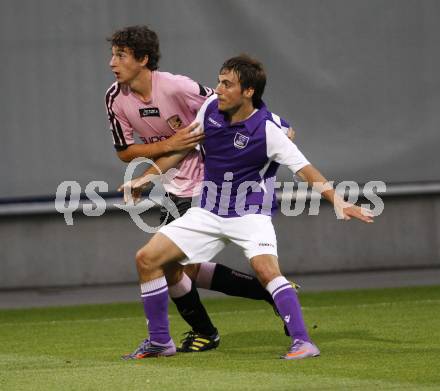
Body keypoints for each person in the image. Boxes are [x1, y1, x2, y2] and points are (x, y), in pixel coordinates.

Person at [121, 55, 374, 360]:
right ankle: (160, 342)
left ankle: (303, 342)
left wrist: (337, 200)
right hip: (207, 212)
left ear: (248, 91)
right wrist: (147, 178)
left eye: (227, 84)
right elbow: (185, 145)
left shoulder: (267, 131)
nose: (218, 89)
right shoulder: (210, 108)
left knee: (266, 270)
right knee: (148, 259)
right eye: (219, 81)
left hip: (249, 215)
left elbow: (304, 169)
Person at [105, 25, 295, 355]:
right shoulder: (115, 99)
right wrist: (154, 165)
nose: (112, 62)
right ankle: (269, 292)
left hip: (209, 181)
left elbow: (228, 102)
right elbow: (124, 151)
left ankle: (198, 332)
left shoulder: (177, 86)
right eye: (113, 54)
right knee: (179, 266)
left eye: (120, 55)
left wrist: (276, 123)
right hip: (172, 186)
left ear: (143, 59)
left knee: (162, 262)